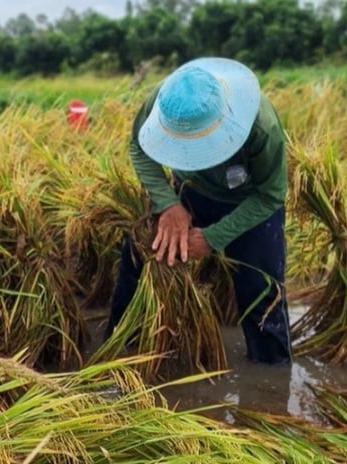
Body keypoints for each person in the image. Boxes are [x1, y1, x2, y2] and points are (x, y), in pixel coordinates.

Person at [106, 57, 292, 365]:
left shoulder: (261, 125)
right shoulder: (164, 102)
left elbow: (271, 195)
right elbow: (139, 147)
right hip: (190, 189)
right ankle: (119, 353)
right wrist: (167, 203)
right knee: (139, 255)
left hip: (249, 201)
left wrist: (213, 237)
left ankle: (270, 381)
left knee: (261, 295)